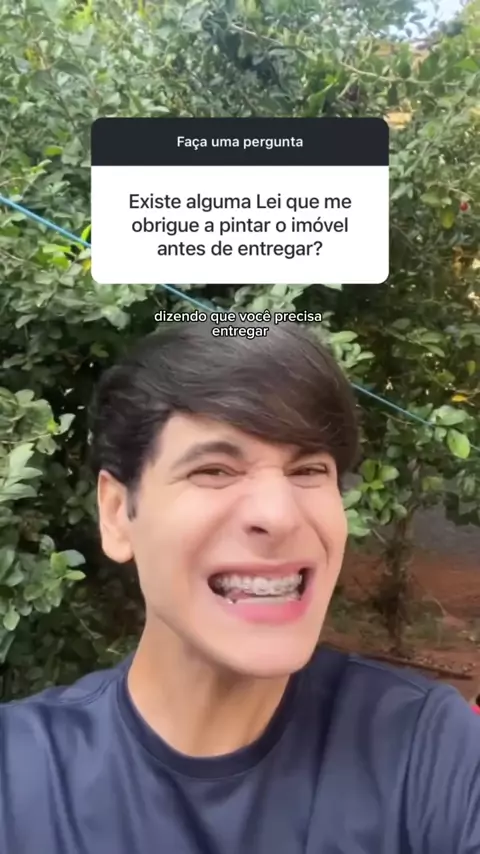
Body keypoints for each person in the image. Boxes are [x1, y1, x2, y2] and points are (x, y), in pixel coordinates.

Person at [0, 318, 479, 854]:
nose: (279, 515)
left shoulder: (430, 751)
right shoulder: (19, 777)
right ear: (117, 513)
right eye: (214, 470)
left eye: (308, 471)